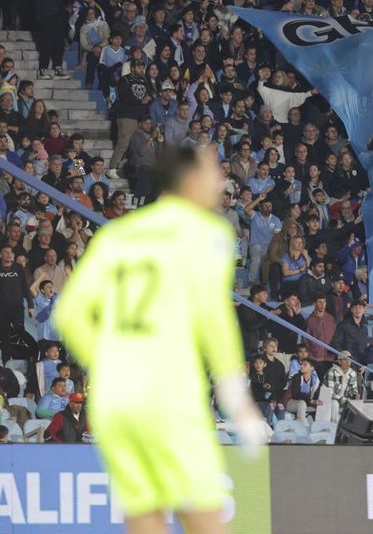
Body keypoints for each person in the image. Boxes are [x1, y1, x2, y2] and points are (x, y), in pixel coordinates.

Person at [53, 146, 265, 534]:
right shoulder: (210, 233)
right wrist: (236, 397)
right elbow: (213, 319)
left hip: (117, 402)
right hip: (170, 395)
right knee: (205, 520)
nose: (220, 181)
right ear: (189, 181)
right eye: (212, 173)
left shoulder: (117, 235)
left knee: (146, 521)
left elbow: (69, 313)